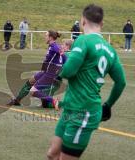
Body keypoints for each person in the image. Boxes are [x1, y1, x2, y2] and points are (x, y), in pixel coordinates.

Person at [47, 4, 126, 160]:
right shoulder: (110, 50)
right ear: (102, 24)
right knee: (52, 154)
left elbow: (69, 71)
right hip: (71, 107)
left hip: (83, 111)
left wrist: (58, 74)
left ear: (83, 21)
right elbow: (121, 82)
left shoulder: (83, 40)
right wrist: (108, 105)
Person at [7, 30, 66, 108]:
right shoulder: (52, 46)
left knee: (33, 91)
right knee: (30, 81)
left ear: (50, 38)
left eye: (46, 35)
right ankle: (17, 100)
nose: (44, 37)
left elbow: (62, 53)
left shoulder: (54, 46)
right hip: (46, 71)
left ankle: (54, 101)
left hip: (50, 73)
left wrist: (61, 52)